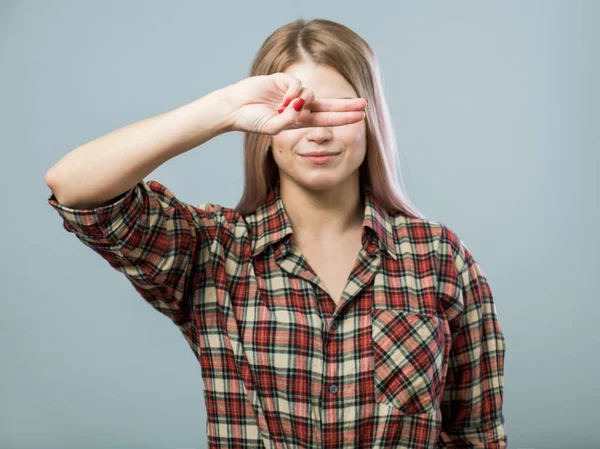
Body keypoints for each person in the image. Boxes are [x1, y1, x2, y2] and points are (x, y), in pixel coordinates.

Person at [45, 18, 507, 449]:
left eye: (336, 111)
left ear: (370, 119)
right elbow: (74, 187)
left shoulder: (437, 257)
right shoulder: (215, 250)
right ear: (263, 127)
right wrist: (224, 109)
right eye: (297, 112)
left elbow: (477, 433)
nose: (318, 132)